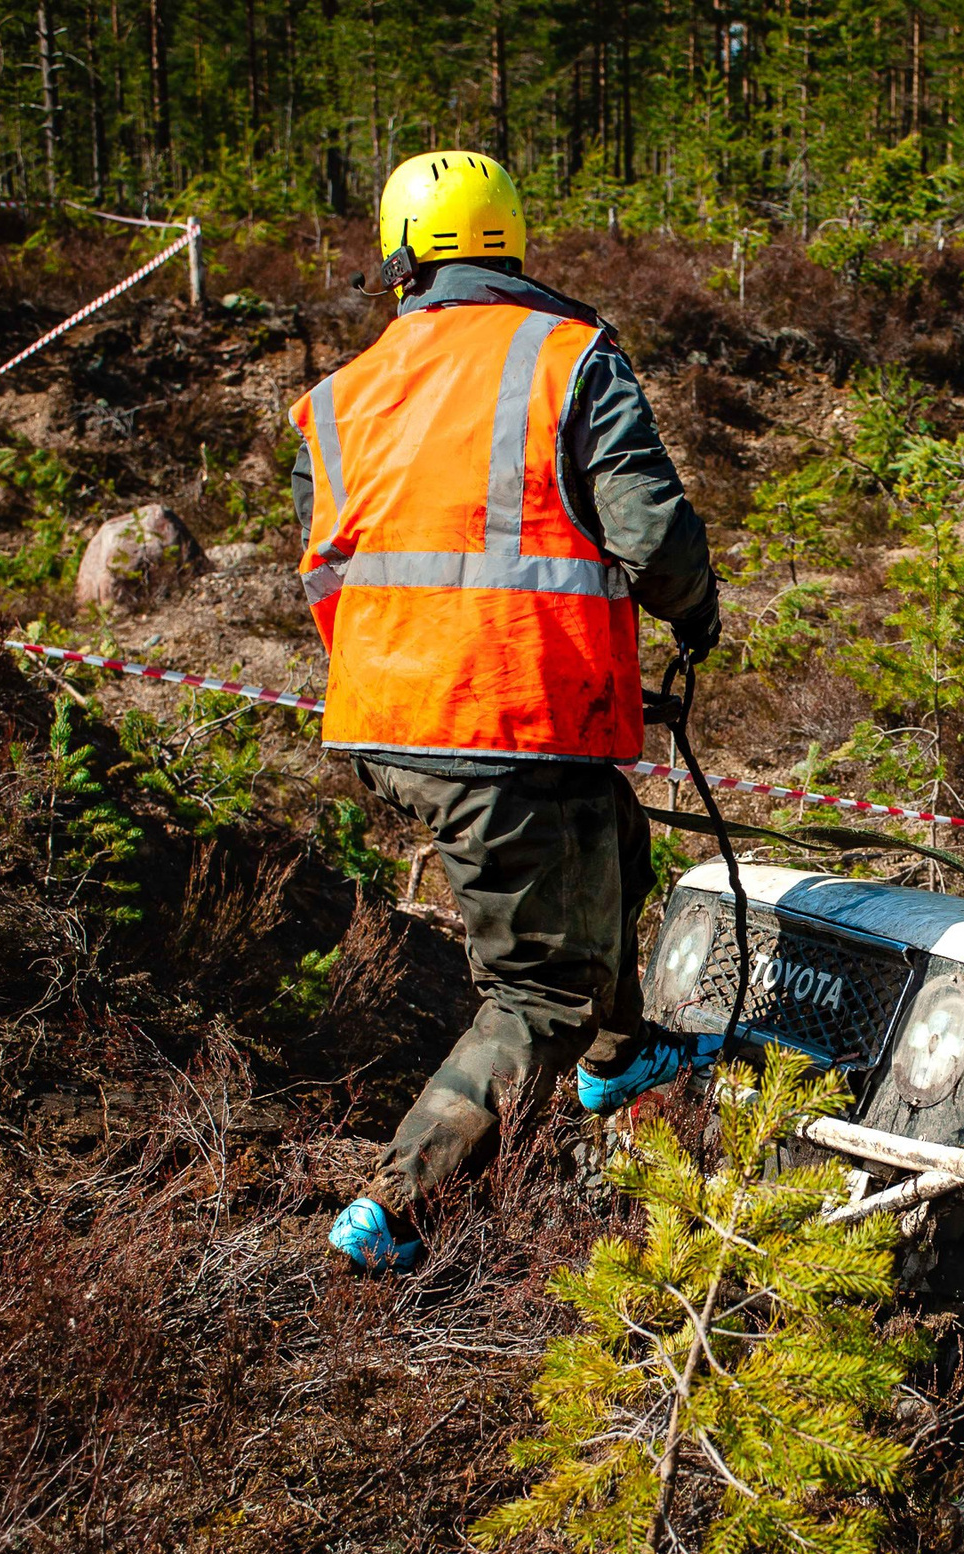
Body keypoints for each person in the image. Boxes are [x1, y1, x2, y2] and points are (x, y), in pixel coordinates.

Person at [291, 150, 727, 1271]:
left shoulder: (340, 395)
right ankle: (392, 1211)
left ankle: (618, 1057)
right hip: (507, 715)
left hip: (393, 715)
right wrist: (696, 614)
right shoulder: (569, 358)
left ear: (399, 256)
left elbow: (323, 570)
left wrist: (399, 680)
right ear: (512, 241)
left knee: (609, 834)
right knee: (537, 992)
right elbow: (654, 539)